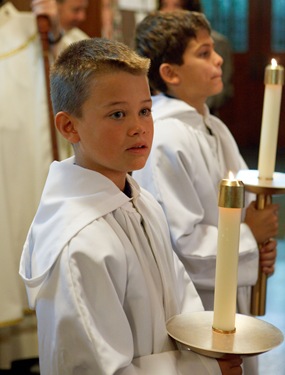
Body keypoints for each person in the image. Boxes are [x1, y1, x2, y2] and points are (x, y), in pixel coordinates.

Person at [19, 37, 243, 375]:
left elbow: (180, 296)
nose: (138, 127)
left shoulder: (139, 198)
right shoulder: (79, 246)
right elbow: (97, 369)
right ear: (69, 126)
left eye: (145, 110)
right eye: (117, 114)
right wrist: (205, 370)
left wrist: (207, 351)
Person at [132, 10, 278, 375]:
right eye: (204, 52)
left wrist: (256, 250)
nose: (219, 60)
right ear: (170, 73)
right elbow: (180, 242)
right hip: (199, 301)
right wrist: (250, 235)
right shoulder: (166, 138)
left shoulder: (211, 124)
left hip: (227, 285)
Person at [0, 0, 88, 370]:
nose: (79, 16)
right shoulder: (11, 36)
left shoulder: (71, 42)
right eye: (75, 7)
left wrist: (54, 38)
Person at [157, 0, 234, 116]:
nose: (168, 11)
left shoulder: (218, 42)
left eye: (177, 6)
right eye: (164, 5)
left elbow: (222, 88)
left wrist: (195, 105)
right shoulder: (155, 43)